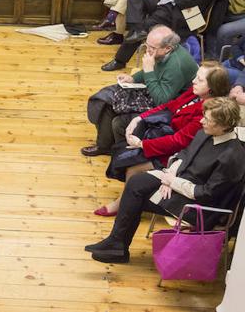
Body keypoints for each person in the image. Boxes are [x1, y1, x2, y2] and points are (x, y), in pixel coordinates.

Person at [85, 97, 245, 263]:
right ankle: (116, 244)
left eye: (208, 119)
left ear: (224, 126)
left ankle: (117, 247)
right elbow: (184, 155)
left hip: (200, 207)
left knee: (137, 196)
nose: (202, 121)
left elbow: (206, 193)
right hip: (181, 182)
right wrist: (171, 175)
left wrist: (172, 183)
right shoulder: (206, 133)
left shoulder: (231, 156)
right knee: (136, 182)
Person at [94, 62, 230, 216]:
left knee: (133, 168)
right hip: (163, 139)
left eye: (199, 80)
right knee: (126, 150)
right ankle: (130, 200)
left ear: (212, 87)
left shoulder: (207, 111)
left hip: (179, 154)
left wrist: (142, 144)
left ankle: (123, 205)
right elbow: (169, 106)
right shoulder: (195, 94)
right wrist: (140, 118)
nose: (193, 81)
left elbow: (180, 141)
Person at [82, 25, 199, 156]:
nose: (147, 51)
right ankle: (104, 146)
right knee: (106, 98)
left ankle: (121, 154)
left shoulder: (176, 65)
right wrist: (133, 79)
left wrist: (148, 71)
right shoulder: (164, 54)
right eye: (147, 45)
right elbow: (155, 70)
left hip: (170, 106)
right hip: (156, 90)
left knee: (118, 120)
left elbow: (162, 100)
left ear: (168, 48)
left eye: (152, 48)